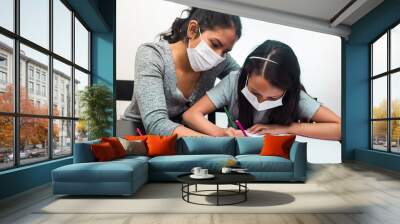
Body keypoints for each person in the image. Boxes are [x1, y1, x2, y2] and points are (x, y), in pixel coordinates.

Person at [182, 40, 341, 140]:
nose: (261, 101)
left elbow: (340, 129)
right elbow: (190, 115)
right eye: (255, 92)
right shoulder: (233, 81)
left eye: (272, 98)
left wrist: (285, 128)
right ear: (247, 74)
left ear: (288, 89)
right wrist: (220, 132)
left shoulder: (295, 96)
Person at [120, 7, 242, 137]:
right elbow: (156, 123)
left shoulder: (220, 60)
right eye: (215, 44)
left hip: (183, 141)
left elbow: (248, 80)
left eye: (225, 51)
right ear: (193, 29)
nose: (218, 56)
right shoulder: (152, 55)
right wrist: (215, 139)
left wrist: (266, 125)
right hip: (138, 136)